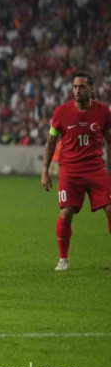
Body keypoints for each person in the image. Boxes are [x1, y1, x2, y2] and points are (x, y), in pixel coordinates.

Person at [41, 71, 111, 271]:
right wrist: (45, 170)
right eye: (75, 87)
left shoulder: (103, 112)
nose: (77, 90)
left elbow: (109, 140)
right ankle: (63, 259)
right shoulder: (61, 113)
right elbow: (51, 141)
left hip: (96, 168)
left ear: (91, 89)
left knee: (110, 209)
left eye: (81, 86)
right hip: (70, 170)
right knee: (66, 212)